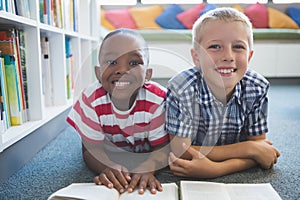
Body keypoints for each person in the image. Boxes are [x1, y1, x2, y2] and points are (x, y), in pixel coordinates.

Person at [165, 7, 280, 178]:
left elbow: (262, 150)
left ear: (249, 56)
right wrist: (247, 149)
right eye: (215, 46)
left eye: (238, 46)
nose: (228, 56)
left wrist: (218, 169)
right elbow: (180, 151)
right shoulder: (182, 88)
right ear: (197, 57)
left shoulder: (257, 87)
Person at [67, 28, 169, 194]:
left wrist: (149, 167)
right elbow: (90, 149)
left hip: (144, 150)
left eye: (134, 63)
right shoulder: (90, 99)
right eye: (112, 62)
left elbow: (163, 148)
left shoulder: (157, 100)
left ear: (148, 75)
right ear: (98, 73)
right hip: (109, 151)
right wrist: (106, 166)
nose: (122, 70)